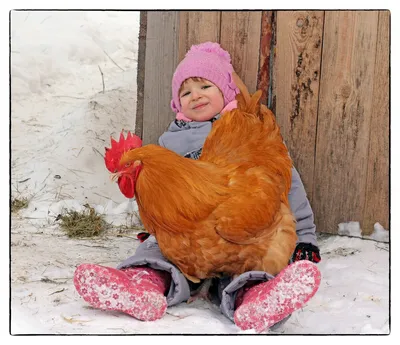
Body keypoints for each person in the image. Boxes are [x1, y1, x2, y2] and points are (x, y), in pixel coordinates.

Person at [74, 42, 322, 332]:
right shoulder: (169, 142)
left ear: (225, 92)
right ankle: (141, 284)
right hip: (185, 233)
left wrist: (305, 237)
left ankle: (253, 298)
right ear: (178, 104)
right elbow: (167, 192)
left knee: (246, 266)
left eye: (205, 86)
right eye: (186, 92)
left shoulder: (243, 134)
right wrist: (161, 223)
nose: (196, 96)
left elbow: (289, 193)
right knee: (153, 252)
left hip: (228, 227)